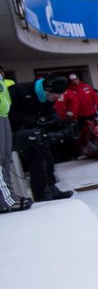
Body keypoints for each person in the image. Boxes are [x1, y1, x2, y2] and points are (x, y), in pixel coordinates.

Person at [8, 76, 74, 202]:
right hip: (18, 132)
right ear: (48, 90)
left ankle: (51, 187)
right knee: (37, 159)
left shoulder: (47, 99)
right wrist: (29, 120)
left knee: (48, 158)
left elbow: (50, 113)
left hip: (36, 131)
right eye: (57, 95)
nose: (58, 98)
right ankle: (41, 193)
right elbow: (9, 112)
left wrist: (56, 122)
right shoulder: (20, 91)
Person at [0, 66, 32, 214]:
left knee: (6, 158)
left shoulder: (4, 81)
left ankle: (6, 197)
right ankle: (7, 200)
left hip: (3, 116)